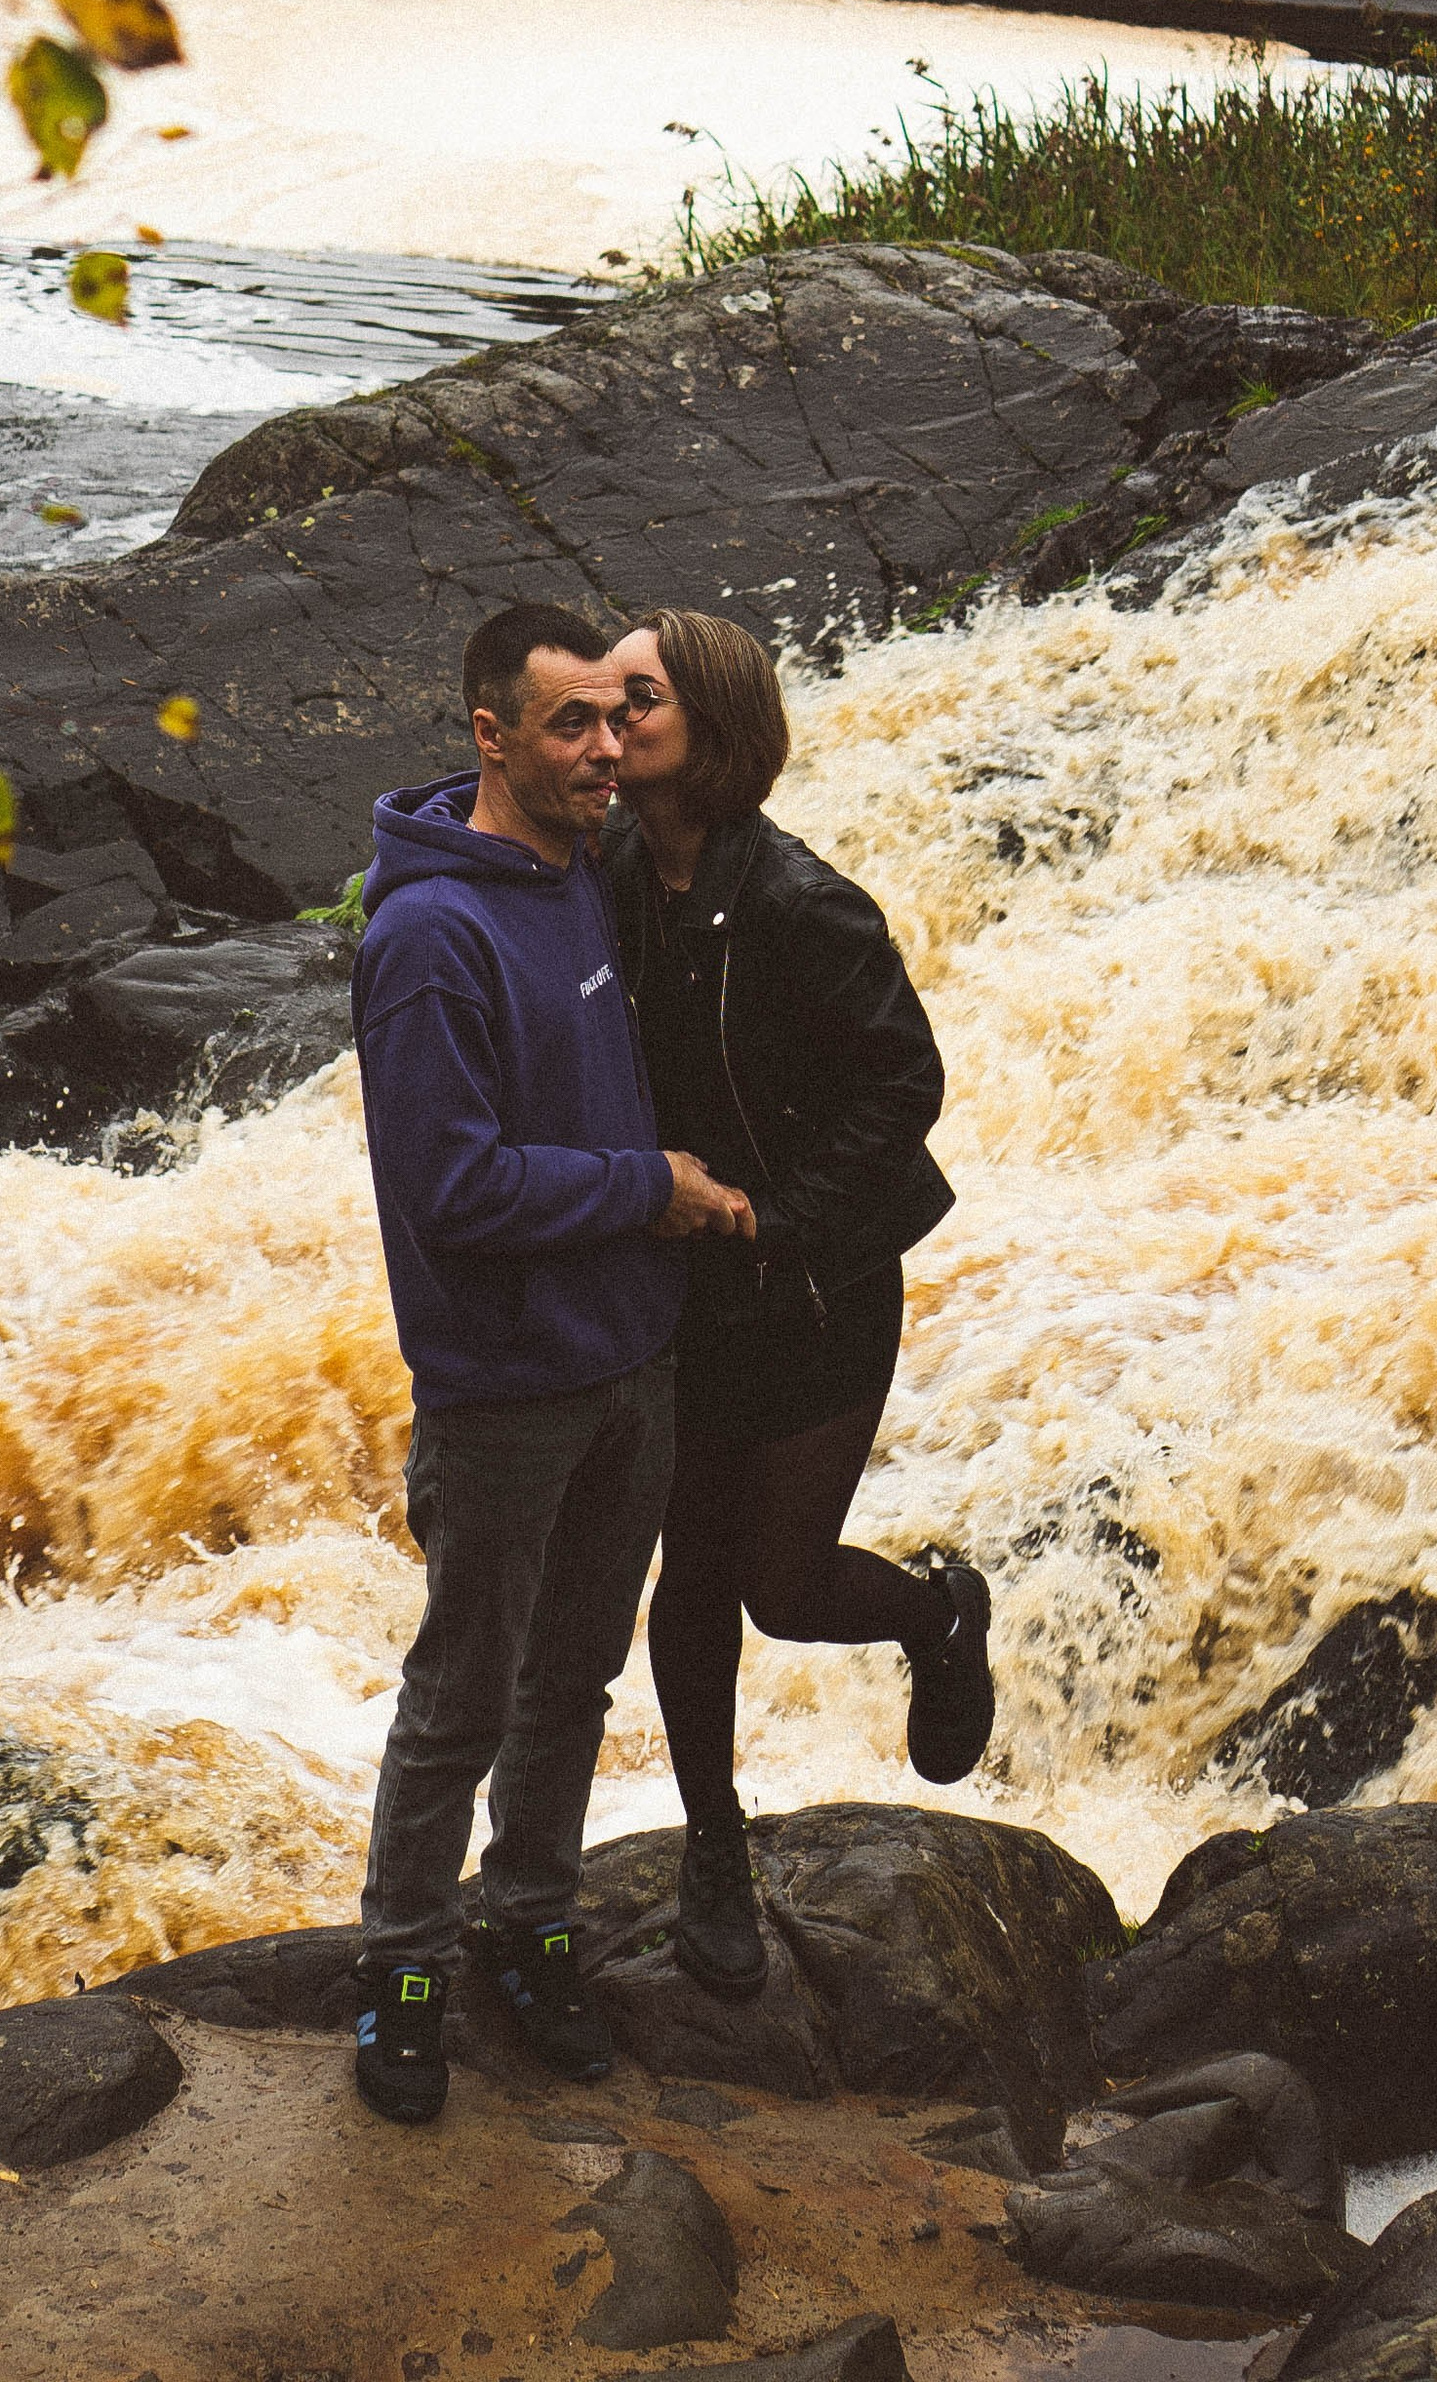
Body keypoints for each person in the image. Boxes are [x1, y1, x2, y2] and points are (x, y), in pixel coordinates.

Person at [348, 599, 755, 2127]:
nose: (604, 751)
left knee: (573, 1682)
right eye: (570, 725)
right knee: (464, 1692)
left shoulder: (578, 867)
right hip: (506, 1388)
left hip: (628, 1362)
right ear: (489, 735)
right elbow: (453, 1190)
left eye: (614, 718)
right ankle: (400, 1973)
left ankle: (530, 1928)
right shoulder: (428, 938)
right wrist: (646, 1187)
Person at [603, 606, 992, 2004]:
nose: (608, 722)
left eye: (635, 699)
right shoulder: (604, 875)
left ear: (711, 727)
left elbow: (904, 1086)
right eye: (592, 703)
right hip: (680, 1284)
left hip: (818, 1285)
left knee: (783, 1585)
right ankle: (716, 1849)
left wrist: (778, 1222)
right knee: (691, 1583)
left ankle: (940, 1616)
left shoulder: (800, 904)